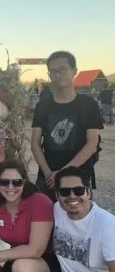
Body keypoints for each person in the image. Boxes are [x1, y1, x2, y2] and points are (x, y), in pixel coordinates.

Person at [31, 51, 103, 201]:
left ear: (74, 71)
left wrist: (62, 173)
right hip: (47, 178)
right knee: (44, 221)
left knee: (78, 221)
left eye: (62, 69)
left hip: (78, 177)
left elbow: (92, 144)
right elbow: (35, 143)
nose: (57, 75)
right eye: (53, 71)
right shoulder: (43, 106)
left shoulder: (88, 105)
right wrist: (48, 173)